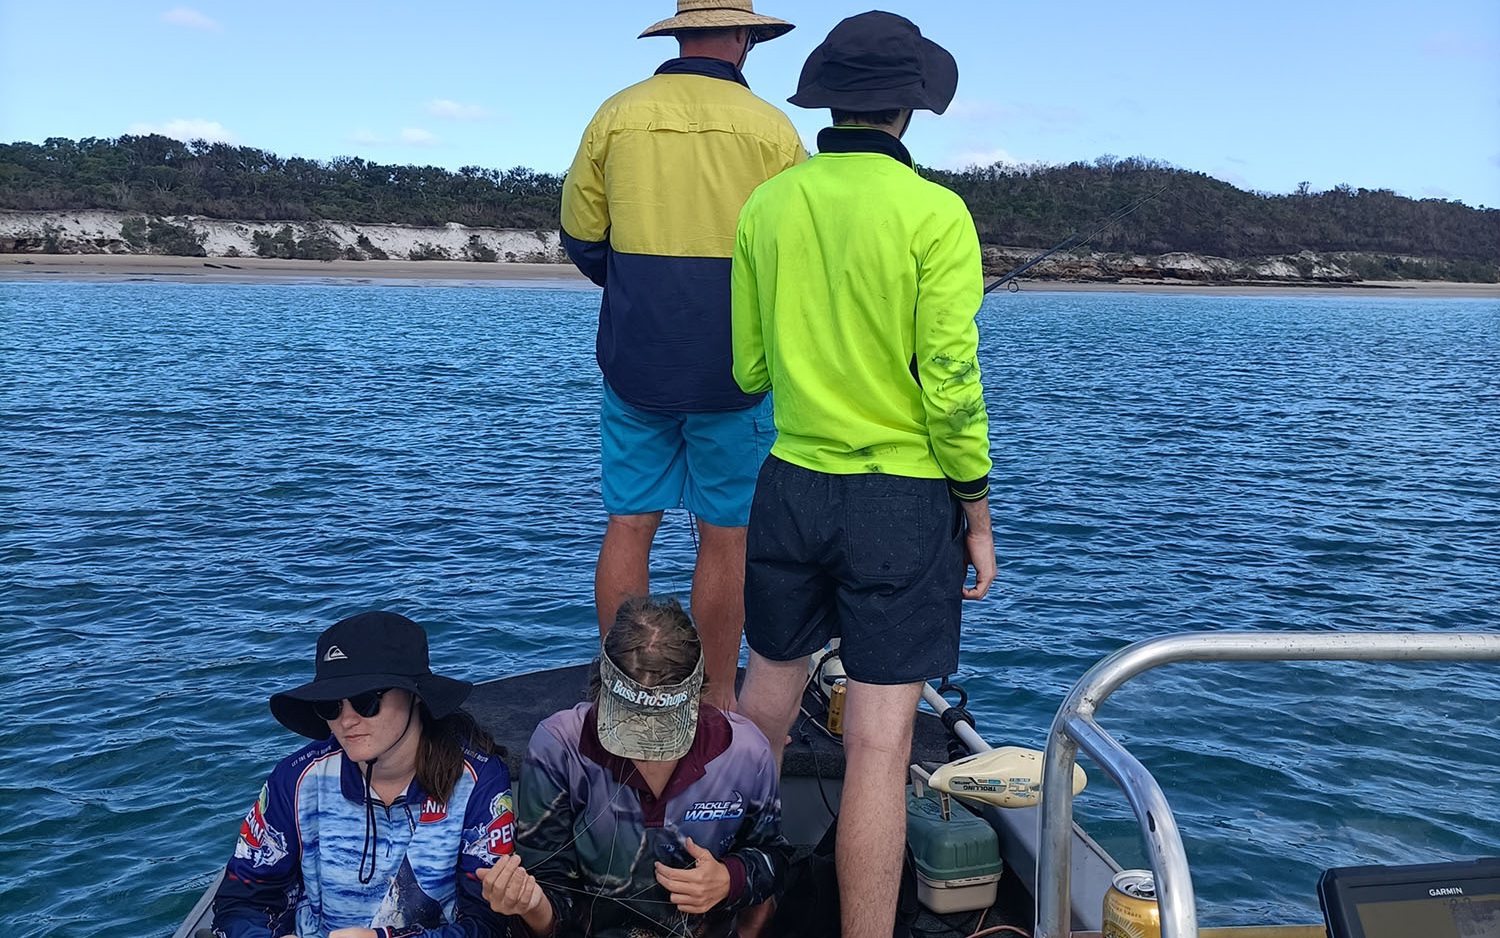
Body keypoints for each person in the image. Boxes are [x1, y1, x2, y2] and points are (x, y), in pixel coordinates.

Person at [728, 11, 996, 937]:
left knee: (760, 713)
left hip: (792, 483)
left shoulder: (769, 204)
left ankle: (731, 914)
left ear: (829, 98)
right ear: (910, 108)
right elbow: (951, 388)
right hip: (903, 500)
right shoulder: (937, 214)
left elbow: (748, 370)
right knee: (881, 748)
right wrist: (978, 509)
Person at [560, 0, 806, 710]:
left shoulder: (617, 114)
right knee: (728, 537)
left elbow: (582, 235)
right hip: (740, 371)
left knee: (630, 522)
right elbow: (794, 250)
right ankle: (720, 698)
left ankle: (623, 689)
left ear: (678, 33)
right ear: (743, 37)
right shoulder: (774, 129)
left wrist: (640, 289)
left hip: (635, 361)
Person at [480, 596, 789, 938]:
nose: (648, 753)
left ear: (699, 696)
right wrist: (530, 905)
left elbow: (774, 857)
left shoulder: (746, 752)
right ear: (598, 691)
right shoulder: (559, 746)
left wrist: (730, 879)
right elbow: (549, 883)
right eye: (630, 728)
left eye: (663, 729)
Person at [212, 611, 516, 938]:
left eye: (365, 701)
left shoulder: (479, 781)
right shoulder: (294, 779)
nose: (346, 720)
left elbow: (489, 924)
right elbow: (239, 900)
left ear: (414, 696)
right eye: (330, 706)